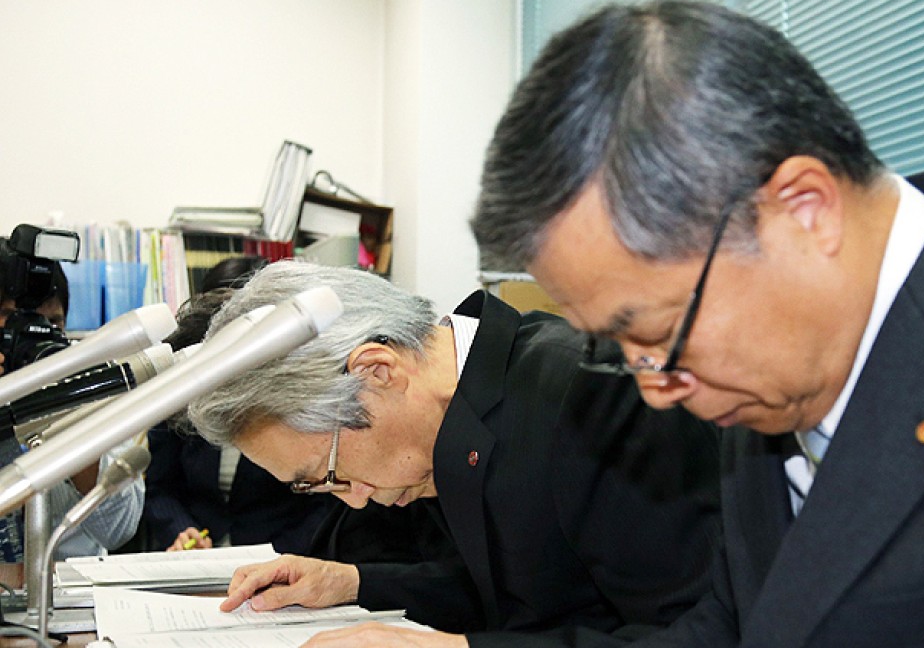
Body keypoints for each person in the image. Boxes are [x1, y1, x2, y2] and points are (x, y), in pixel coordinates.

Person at [470, 0, 924, 647]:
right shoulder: (761, 375)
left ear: (804, 210)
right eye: (616, 348)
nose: (654, 388)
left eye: (658, 334)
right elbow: (736, 627)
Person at [187, 260, 721, 646]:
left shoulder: (587, 395)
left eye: (329, 472)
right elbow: (516, 585)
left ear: (378, 372)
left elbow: (699, 632)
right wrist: (350, 582)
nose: (352, 501)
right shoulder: (456, 420)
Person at [144, 258, 334, 553]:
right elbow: (160, 487)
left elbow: (324, 502)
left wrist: (277, 558)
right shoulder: (182, 393)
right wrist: (180, 531)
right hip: (198, 560)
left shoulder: (300, 393)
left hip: (281, 557)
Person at [0, 258, 143, 560]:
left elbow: (119, 529)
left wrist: (71, 413)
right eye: (16, 321)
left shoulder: (93, 389)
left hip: (69, 597)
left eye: (52, 324)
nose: (37, 341)